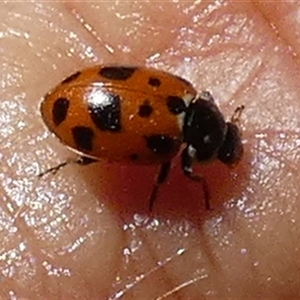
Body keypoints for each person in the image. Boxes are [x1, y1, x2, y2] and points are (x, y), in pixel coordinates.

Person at [1, 1, 299, 298]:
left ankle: (74, 161)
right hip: (81, 102)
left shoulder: (184, 90)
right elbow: (181, 171)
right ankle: (73, 162)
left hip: (86, 92)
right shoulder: (167, 142)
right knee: (108, 153)